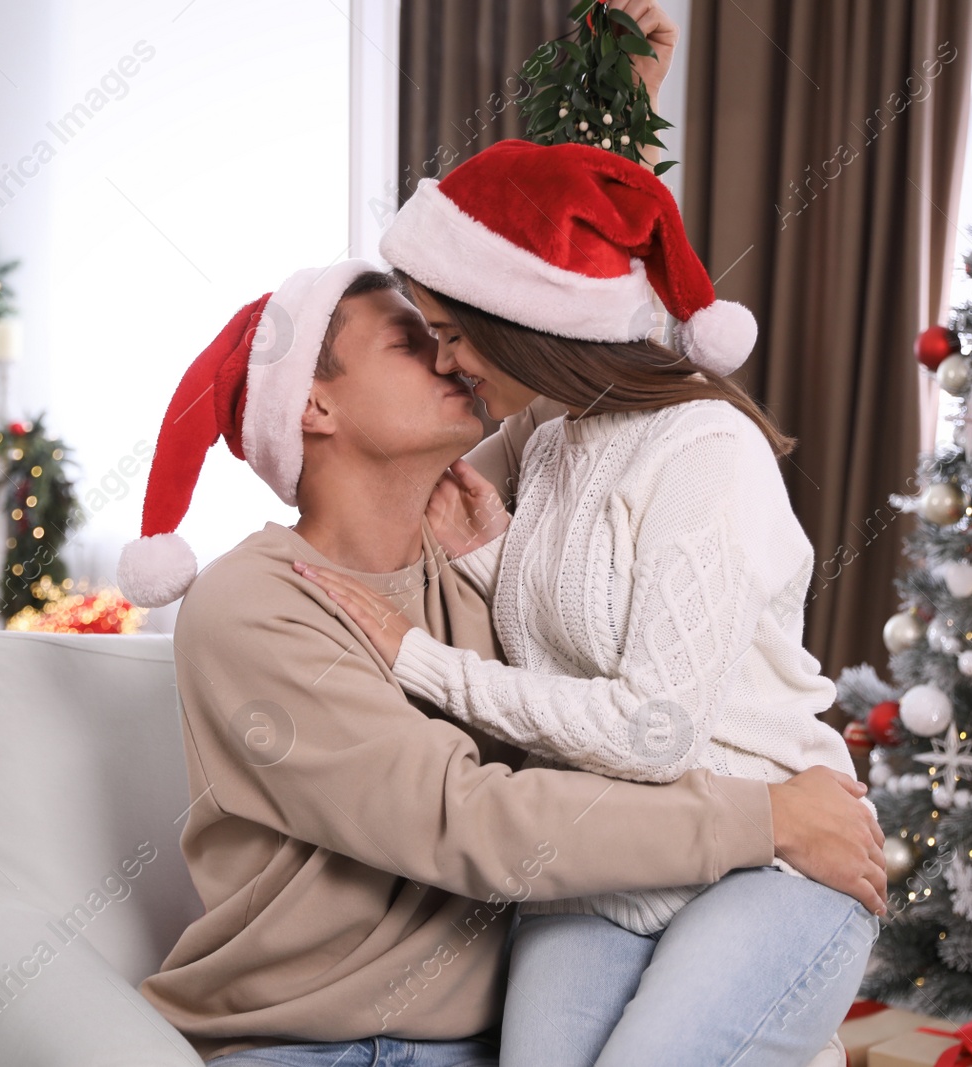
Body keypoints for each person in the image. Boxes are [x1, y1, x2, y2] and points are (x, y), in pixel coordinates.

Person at [116, 260, 885, 1066]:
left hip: (486, 1040)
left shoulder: (485, 564)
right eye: (413, 341)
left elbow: (598, 401)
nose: (454, 356)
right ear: (314, 403)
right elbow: (463, 816)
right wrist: (766, 818)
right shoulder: (253, 604)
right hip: (304, 1042)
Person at [294, 139, 878, 1067]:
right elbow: (578, 632)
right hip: (607, 862)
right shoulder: (554, 437)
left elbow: (655, 730)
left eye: (449, 331)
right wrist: (495, 562)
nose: (444, 361)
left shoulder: (705, 450)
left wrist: (425, 662)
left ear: (522, 318)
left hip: (774, 851)